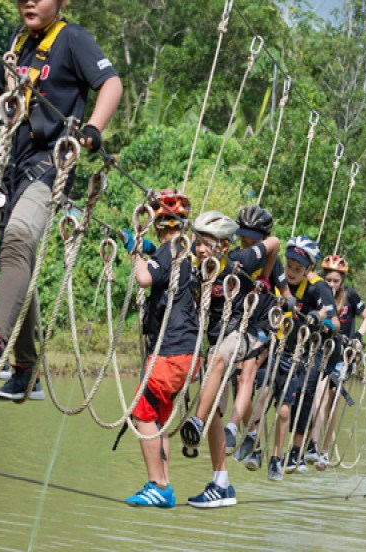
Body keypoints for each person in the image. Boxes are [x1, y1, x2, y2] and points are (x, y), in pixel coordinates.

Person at [0, 0, 122, 400]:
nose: (29, 3)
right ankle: (27, 371)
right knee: (12, 263)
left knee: (19, 240)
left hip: (51, 163)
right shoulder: (18, 41)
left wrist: (93, 130)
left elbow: (111, 84)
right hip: (12, 166)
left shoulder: (74, 40)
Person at [182, 210, 275, 508]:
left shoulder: (239, 261)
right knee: (215, 414)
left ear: (223, 245)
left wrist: (263, 278)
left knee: (221, 357)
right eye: (197, 242)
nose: (199, 249)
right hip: (215, 342)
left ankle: (195, 421)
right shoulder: (196, 270)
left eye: (205, 243)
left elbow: (273, 243)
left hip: (241, 336)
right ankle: (221, 484)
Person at [123, 190, 196, 508]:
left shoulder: (173, 248)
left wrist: (136, 248)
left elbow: (143, 277)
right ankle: (164, 484)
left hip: (171, 351)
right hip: (183, 352)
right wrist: (147, 250)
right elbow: (160, 271)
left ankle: (158, 484)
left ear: (160, 221)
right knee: (158, 418)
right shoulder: (185, 251)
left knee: (142, 412)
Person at [266, 236, 339, 480]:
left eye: (299, 268)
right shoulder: (279, 276)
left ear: (309, 269)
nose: (292, 271)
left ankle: (296, 447)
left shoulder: (319, 287)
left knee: (305, 396)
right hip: (278, 346)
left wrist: (321, 320)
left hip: (307, 352)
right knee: (263, 389)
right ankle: (255, 441)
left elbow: (335, 321)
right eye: (290, 266)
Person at [224, 206, 290, 458]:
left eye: (252, 239)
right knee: (237, 380)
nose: (246, 242)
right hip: (238, 324)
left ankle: (231, 427)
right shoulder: (234, 256)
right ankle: (252, 433)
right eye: (243, 237)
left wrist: (287, 302)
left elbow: (285, 293)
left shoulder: (272, 262)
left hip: (262, 324)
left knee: (246, 376)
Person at [306, 254, 366, 470]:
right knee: (318, 393)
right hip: (322, 351)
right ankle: (312, 444)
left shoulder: (351, 296)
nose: (333, 285)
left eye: (336, 281)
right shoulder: (319, 294)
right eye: (329, 280)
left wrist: (358, 338)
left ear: (342, 280)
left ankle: (324, 450)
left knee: (331, 400)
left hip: (343, 355)